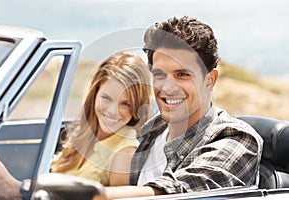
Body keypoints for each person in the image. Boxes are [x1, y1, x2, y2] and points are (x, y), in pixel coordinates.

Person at [104, 16, 263, 198]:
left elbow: (178, 191)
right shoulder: (153, 128)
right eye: (160, 74)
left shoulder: (236, 138)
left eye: (182, 74)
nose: (168, 88)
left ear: (209, 80)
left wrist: (91, 195)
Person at [0, 51, 152, 199]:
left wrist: (15, 188)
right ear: (95, 94)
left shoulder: (124, 153)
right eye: (106, 98)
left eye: (125, 104)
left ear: (137, 107)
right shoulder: (84, 134)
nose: (112, 111)